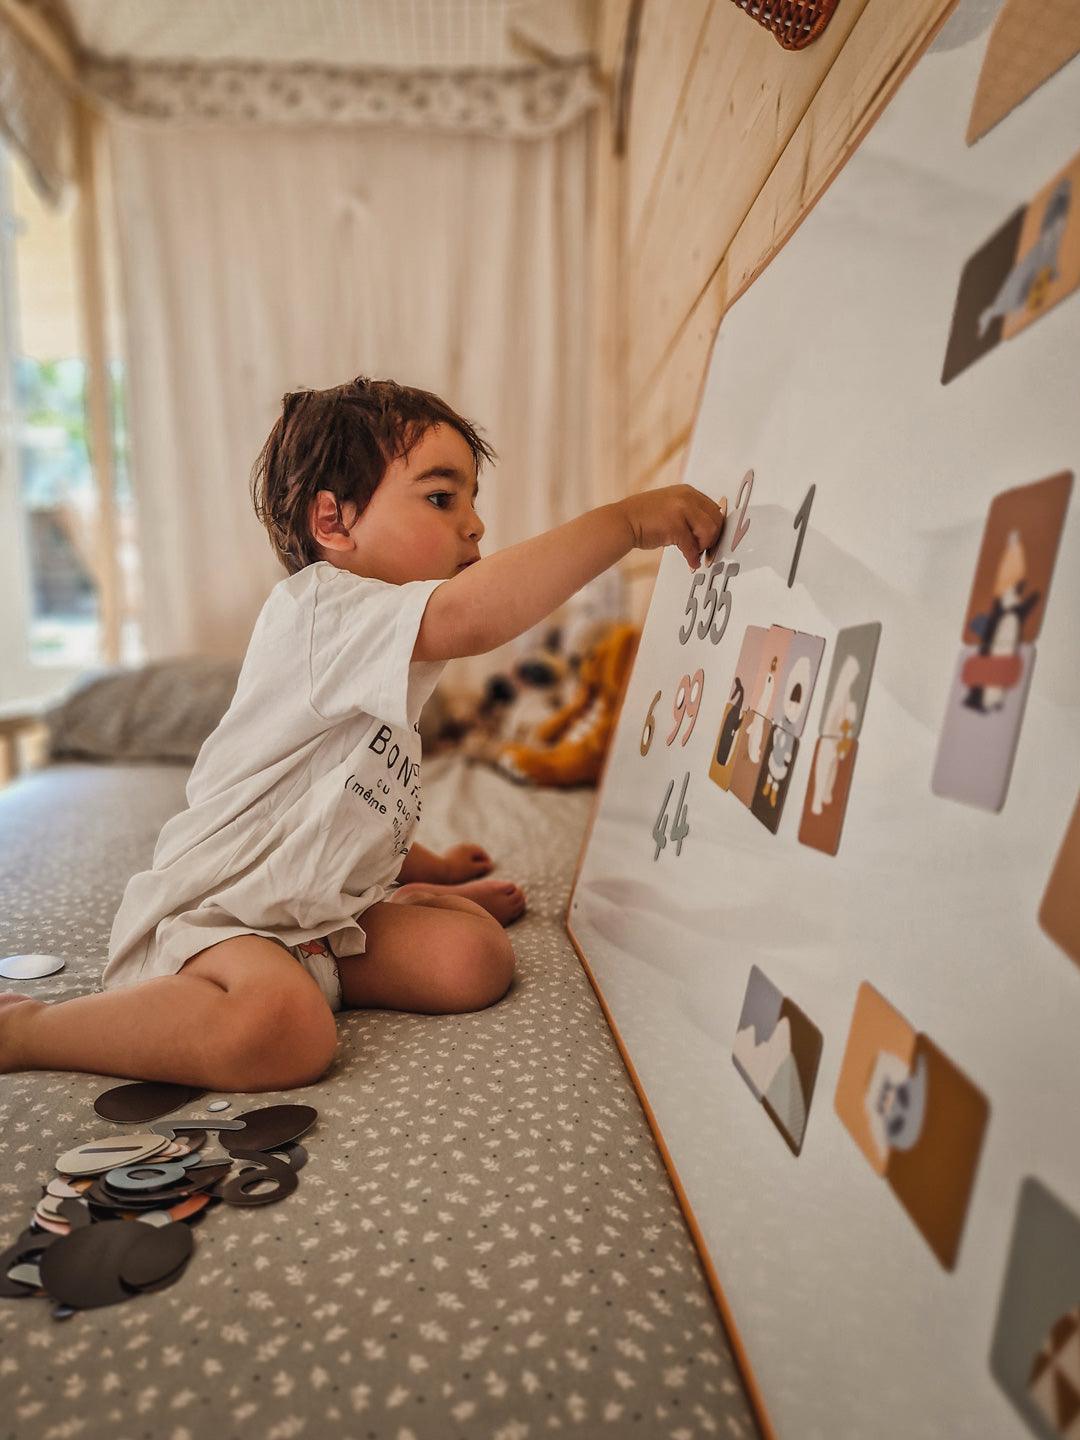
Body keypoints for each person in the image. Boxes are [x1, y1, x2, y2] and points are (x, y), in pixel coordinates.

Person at [0, 377, 726, 1091]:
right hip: (215, 925)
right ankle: (30, 1031)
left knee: (475, 958)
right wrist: (625, 523)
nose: (474, 525)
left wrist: (429, 870)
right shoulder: (322, 609)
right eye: (443, 498)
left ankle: (359, 925)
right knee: (285, 1033)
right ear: (334, 523)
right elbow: (472, 615)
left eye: (474, 501)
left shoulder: (384, 652)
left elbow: (350, 797)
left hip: (317, 925)